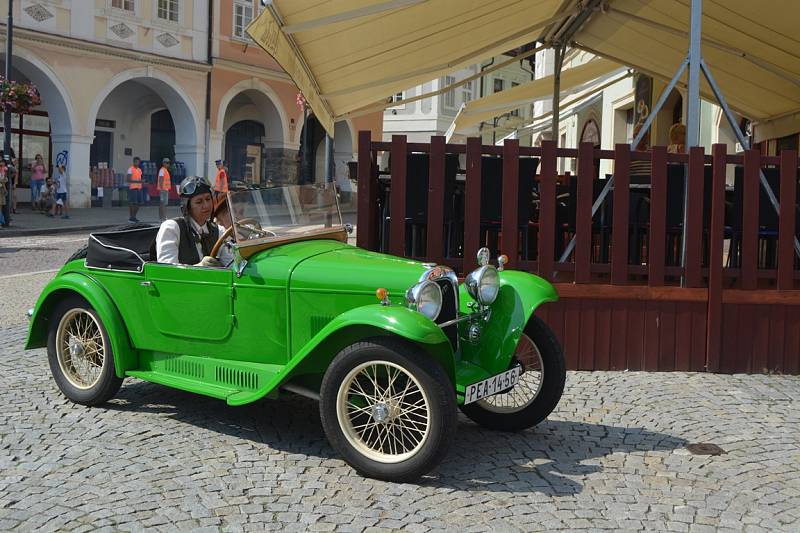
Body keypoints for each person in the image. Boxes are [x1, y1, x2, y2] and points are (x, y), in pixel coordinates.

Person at [155, 176, 233, 267]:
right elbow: (167, 270)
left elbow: (232, 264)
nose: (206, 205)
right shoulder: (171, 228)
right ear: (187, 207)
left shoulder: (219, 231)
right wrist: (198, 267)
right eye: (199, 202)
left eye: (208, 199)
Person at [127, 156, 144, 223]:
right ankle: (131, 217)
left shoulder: (139, 170)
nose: (137, 163)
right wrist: (138, 181)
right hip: (133, 188)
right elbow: (128, 180)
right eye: (135, 161)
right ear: (133, 162)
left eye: (138, 162)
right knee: (133, 203)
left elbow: (139, 179)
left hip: (139, 188)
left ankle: (134, 216)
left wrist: (142, 181)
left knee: (139, 203)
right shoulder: (130, 169)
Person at [157, 157, 171, 222]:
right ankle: (163, 218)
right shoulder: (162, 170)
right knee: (163, 204)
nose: (167, 164)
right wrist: (162, 189)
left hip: (165, 189)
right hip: (163, 190)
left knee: (163, 204)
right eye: (166, 162)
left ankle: (162, 217)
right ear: (163, 163)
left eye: (168, 162)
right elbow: (161, 179)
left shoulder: (165, 170)